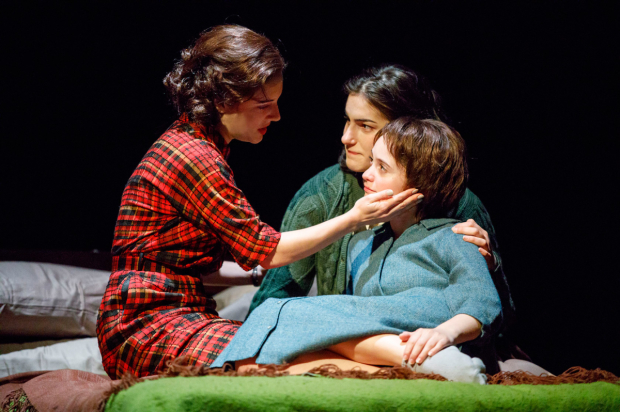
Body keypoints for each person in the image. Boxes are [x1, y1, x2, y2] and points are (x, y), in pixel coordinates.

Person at [96, 25, 420, 379]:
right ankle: (407, 374)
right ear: (222, 100)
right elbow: (267, 250)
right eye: (265, 104)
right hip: (144, 325)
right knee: (280, 354)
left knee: (297, 341)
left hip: (178, 311)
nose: (277, 115)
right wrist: (352, 219)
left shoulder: (200, 144)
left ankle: (406, 366)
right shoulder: (194, 157)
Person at [212, 118, 501, 383]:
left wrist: (443, 333)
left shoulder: (454, 235)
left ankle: (425, 358)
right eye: (371, 162)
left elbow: (481, 303)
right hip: (370, 338)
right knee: (251, 364)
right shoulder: (361, 243)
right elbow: (353, 320)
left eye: (382, 167)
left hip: (426, 330)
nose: (367, 174)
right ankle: (421, 369)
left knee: (282, 311)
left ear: (420, 186)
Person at [248, 66, 514, 334]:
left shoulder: (461, 204)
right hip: (351, 333)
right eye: (347, 120)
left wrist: (489, 264)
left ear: (410, 132)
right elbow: (277, 293)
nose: (346, 137)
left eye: (365, 126)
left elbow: (495, 312)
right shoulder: (323, 194)